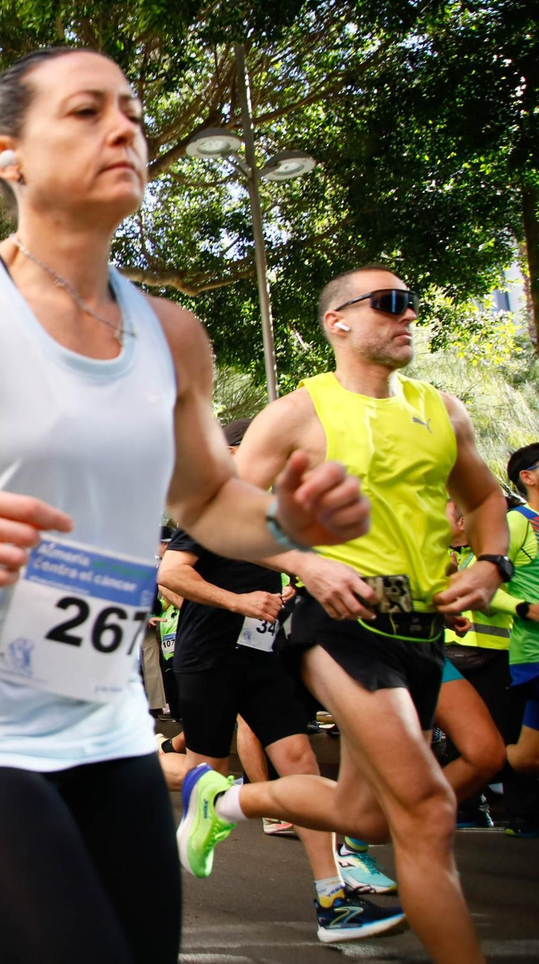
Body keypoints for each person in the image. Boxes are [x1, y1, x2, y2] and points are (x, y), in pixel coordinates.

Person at [0, 48, 370, 963]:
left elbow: (208, 501)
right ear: (10, 156)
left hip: (99, 717)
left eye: (133, 111)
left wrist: (292, 525)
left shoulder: (172, 335)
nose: (125, 127)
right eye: (87, 111)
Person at [179, 265, 510, 964]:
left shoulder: (442, 410)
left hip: (420, 631)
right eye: (390, 304)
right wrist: (306, 563)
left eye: (412, 305)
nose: (408, 316)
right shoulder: (299, 413)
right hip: (338, 628)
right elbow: (219, 512)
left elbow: (485, 503)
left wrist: (488, 566)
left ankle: (226, 804)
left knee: (366, 814)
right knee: (426, 810)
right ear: (340, 322)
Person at [157, 419, 404, 941]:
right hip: (209, 657)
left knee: (299, 762)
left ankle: (332, 897)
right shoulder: (211, 509)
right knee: (208, 772)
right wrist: (238, 601)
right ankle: (113, 763)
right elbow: (171, 572)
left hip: (262, 655)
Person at [440, 502, 519, 826]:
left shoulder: (478, 552)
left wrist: (441, 611)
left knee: (488, 749)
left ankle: (452, 808)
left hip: (480, 653)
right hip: (403, 656)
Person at [500, 445, 539, 830]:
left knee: (527, 757)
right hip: (532, 650)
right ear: (527, 477)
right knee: (523, 757)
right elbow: (484, 580)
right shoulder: (517, 522)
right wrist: (525, 608)